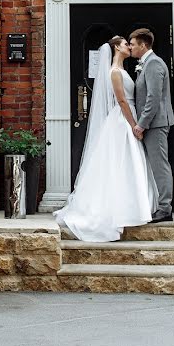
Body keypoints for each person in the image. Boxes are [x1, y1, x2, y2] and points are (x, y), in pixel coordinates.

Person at [54, 36, 157, 242]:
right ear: (117, 47)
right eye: (125, 43)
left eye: (130, 43)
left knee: (129, 163)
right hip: (123, 120)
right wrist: (133, 124)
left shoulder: (122, 70)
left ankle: (135, 205)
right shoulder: (115, 72)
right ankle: (123, 208)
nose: (129, 46)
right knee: (121, 163)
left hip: (129, 118)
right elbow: (121, 101)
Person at [129, 28, 174, 223]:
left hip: (156, 124)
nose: (130, 47)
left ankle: (165, 208)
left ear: (143, 45)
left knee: (160, 165)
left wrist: (141, 124)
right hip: (152, 124)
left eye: (133, 44)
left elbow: (153, 98)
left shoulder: (154, 63)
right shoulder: (145, 63)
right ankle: (158, 204)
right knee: (154, 164)